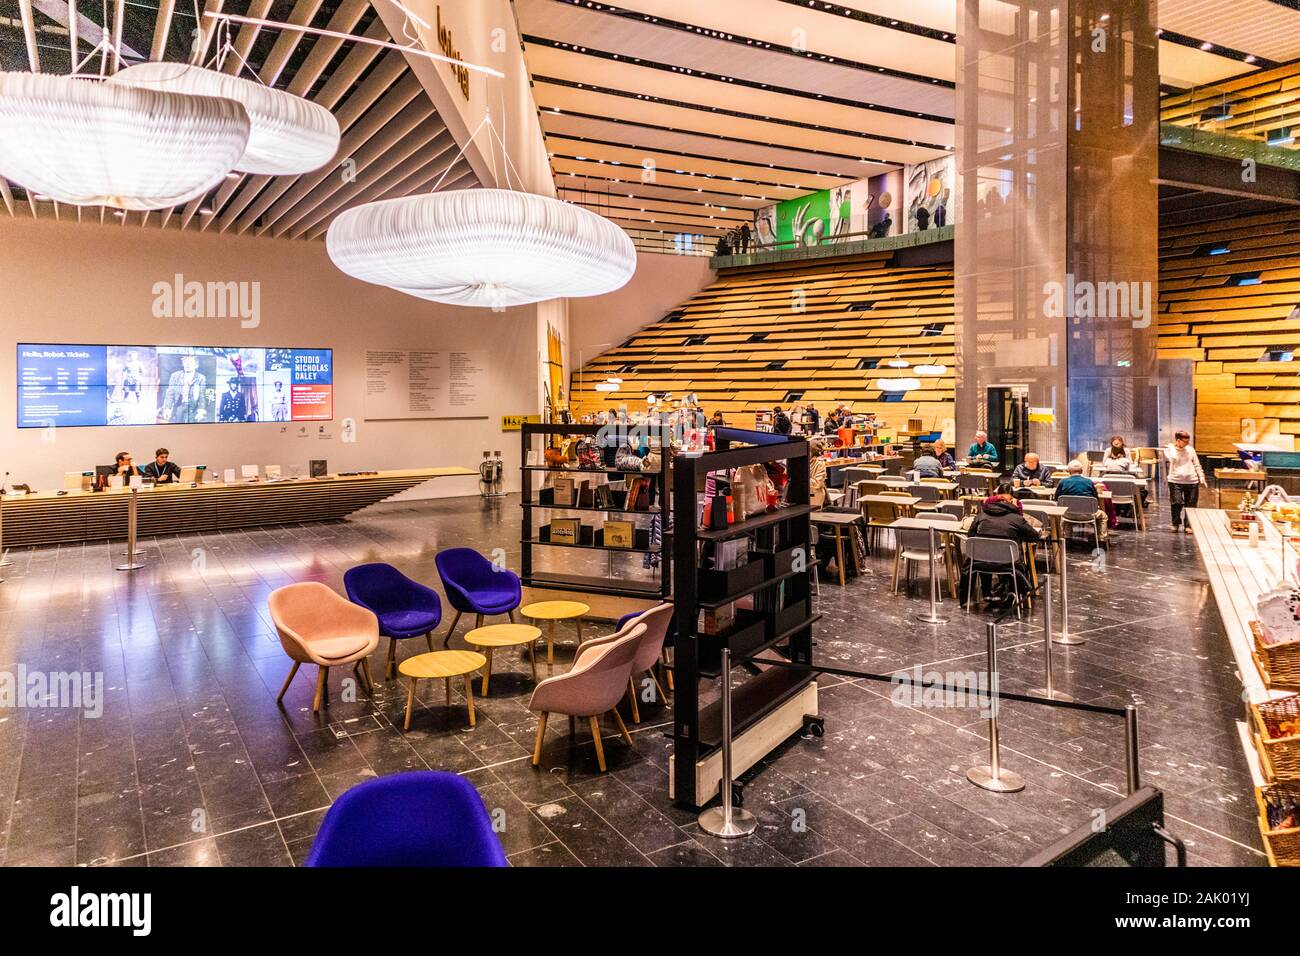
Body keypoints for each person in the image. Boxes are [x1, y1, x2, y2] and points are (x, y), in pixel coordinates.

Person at [1054, 460, 1109, 540]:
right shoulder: (1089, 482)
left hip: (1067, 514)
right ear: (1082, 471)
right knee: (1103, 516)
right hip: (1088, 515)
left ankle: (1064, 538)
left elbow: (1057, 498)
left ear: (1068, 471)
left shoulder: (1063, 482)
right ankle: (1101, 539)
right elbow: (1095, 499)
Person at [1165, 430, 1207, 534]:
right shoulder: (1170, 450)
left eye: (1188, 441)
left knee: (1191, 504)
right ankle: (1175, 523)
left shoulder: (1190, 450)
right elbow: (1172, 458)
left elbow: (1196, 464)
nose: (1187, 443)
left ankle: (1188, 525)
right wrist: (1173, 448)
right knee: (1176, 503)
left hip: (1192, 481)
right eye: (1185, 441)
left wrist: (1201, 476)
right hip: (1175, 480)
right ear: (1178, 440)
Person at [162, 353, 208, 423]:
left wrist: (201, 410)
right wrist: (167, 408)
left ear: (196, 365)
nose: (187, 365)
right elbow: (170, 393)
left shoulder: (201, 378)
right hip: (178, 407)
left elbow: (202, 396)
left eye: (190, 363)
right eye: (185, 362)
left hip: (193, 408)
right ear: (183, 364)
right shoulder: (175, 376)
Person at [808, 438, 828, 508]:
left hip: (815, 499)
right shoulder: (802, 462)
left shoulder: (819, 464)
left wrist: (802, 479)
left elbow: (817, 484)